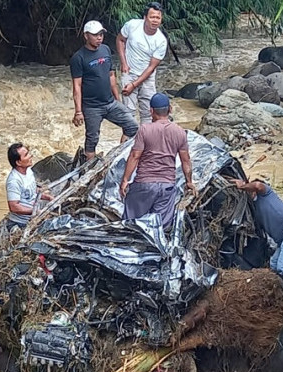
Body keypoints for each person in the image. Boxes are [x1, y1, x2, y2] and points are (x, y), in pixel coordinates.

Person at [119, 92, 196, 230]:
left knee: (131, 225)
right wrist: (189, 182)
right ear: (170, 109)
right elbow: (186, 161)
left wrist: (125, 180)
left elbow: (135, 156)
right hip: (167, 186)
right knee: (161, 229)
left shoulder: (144, 129)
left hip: (144, 185)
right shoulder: (179, 132)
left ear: (151, 111)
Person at [230, 178, 283, 312]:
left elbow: (259, 185)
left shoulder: (265, 194)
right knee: (275, 265)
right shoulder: (254, 208)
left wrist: (242, 186)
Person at [70, 20, 139, 161]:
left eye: (101, 34)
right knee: (92, 140)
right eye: (95, 35)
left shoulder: (106, 49)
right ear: (86, 36)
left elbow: (111, 75)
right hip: (91, 107)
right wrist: (78, 111)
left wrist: (117, 98)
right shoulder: (78, 58)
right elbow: (77, 85)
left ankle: (121, 157)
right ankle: (89, 169)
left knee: (132, 126)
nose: (99, 37)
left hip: (110, 102)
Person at [116, 2, 168, 135]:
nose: (155, 20)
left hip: (147, 77)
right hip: (129, 72)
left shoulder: (161, 40)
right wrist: (123, 63)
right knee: (128, 113)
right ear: (145, 17)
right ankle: (127, 144)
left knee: (148, 113)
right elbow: (120, 40)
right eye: (152, 17)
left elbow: (151, 67)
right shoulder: (132, 25)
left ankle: (145, 143)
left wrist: (134, 84)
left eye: (158, 18)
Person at [5, 142, 54, 230]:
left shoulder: (29, 171)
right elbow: (13, 207)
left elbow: (33, 190)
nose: (31, 156)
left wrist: (48, 197)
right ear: (18, 162)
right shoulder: (14, 181)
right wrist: (35, 212)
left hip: (34, 214)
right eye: (26, 155)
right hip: (21, 222)